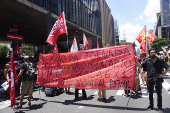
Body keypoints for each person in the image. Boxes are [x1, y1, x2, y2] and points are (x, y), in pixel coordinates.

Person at [135, 48, 170, 113]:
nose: (152, 53)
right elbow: (140, 66)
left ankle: (160, 107)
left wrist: (163, 74)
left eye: (153, 52)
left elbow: (168, 67)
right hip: (150, 79)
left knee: (159, 94)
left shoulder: (160, 60)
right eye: (151, 52)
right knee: (150, 93)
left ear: (155, 53)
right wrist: (136, 60)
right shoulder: (147, 60)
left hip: (158, 79)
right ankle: (151, 106)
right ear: (149, 53)